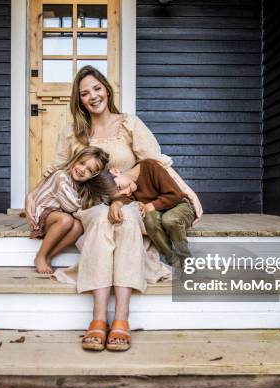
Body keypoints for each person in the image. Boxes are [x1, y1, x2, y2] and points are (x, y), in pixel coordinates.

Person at [25, 65, 203, 352]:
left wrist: (186, 193)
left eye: (97, 89)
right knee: (100, 221)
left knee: (128, 222)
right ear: (79, 100)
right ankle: (97, 319)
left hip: (128, 200)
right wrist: (33, 194)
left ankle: (121, 318)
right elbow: (56, 169)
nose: (93, 96)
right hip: (90, 203)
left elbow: (155, 162)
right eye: (85, 93)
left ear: (107, 89)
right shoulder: (73, 132)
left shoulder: (129, 123)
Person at [110, 159, 197, 275]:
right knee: (149, 220)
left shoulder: (149, 166)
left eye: (120, 187)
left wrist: (149, 206)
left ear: (116, 171)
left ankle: (186, 260)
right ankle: (173, 260)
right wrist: (116, 204)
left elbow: (174, 195)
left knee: (169, 219)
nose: (126, 192)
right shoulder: (129, 191)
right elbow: (124, 200)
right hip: (159, 212)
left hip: (180, 205)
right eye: (121, 193)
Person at [30, 146, 109, 274]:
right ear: (75, 160)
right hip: (41, 214)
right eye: (82, 163)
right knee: (66, 220)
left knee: (78, 226)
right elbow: (72, 206)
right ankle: (40, 256)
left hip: (57, 216)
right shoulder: (61, 176)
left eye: (89, 170)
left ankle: (49, 256)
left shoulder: (78, 184)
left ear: (93, 176)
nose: (82, 170)